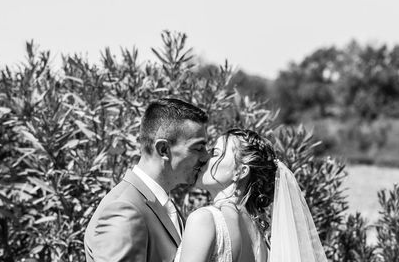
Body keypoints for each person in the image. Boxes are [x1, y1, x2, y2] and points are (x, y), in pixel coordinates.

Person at [84, 97, 210, 262]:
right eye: (198, 148)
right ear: (163, 149)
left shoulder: (161, 203)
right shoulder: (124, 210)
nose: (206, 156)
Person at [175, 128, 327, 262]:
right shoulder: (261, 233)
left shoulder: (205, 219)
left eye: (215, 153)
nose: (204, 159)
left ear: (240, 172)